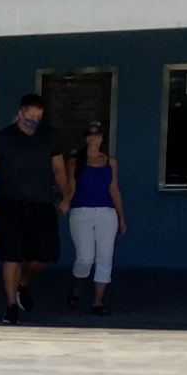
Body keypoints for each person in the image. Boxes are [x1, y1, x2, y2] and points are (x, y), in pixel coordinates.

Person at [0, 94, 70, 325]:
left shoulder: (49, 136)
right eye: (30, 116)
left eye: (38, 116)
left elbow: (59, 169)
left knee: (41, 259)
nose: (34, 120)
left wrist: (66, 195)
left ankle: (24, 282)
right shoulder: (3, 138)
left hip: (42, 204)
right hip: (11, 204)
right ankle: (11, 306)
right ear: (20, 113)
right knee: (11, 257)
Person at [65, 121, 126, 315]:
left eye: (97, 134)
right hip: (81, 212)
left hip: (107, 213)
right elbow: (70, 186)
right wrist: (66, 201)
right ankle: (78, 285)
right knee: (85, 257)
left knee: (105, 257)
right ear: (86, 138)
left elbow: (114, 189)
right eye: (90, 134)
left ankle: (98, 301)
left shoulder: (110, 162)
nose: (94, 137)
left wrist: (121, 217)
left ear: (102, 138)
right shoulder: (75, 161)